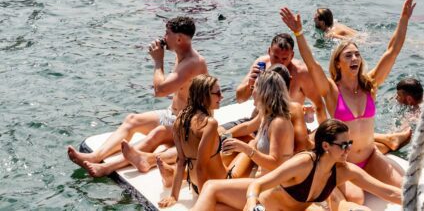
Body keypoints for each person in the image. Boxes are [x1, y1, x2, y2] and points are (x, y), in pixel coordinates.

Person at [280, 0, 416, 200]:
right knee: (356, 199)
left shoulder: (370, 85)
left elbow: (392, 51)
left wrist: (403, 20)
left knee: (407, 190)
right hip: (342, 162)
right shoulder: (331, 91)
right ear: (338, 63)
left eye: (357, 54)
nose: (355, 58)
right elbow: (312, 64)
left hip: (371, 157)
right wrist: (298, 33)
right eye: (348, 55)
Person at [67, 17, 208, 177]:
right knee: (132, 120)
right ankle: (95, 156)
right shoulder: (181, 54)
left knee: (156, 136)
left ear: (179, 39)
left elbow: (160, 91)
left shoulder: (192, 63)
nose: (163, 37)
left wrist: (158, 61)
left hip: (188, 124)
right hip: (173, 115)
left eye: (167, 33)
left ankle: (107, 167)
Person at [191, 119, 402, 211]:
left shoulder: (344, 171)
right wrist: (251, 202)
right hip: (261, 205)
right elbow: (258, 185)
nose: (348, 149)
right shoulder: (303, 163)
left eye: (350, 143)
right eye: (344, 144)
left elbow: (388, 193)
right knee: (211, 189)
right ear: (326, 146)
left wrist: (422, 198)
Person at [158, 75, 226, 206]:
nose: (221, 96)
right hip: (215, 186)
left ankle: (172, 175)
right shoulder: (209, 124)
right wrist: (205, 201)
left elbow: (181, 161)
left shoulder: (180, 119)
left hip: (196, 184)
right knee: (249, 146)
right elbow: (201, 167)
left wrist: (173, 196)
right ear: (203, 96)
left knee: (226, 153)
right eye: (217, 93)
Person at [236, 33, 326, 123]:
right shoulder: (261, 64)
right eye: (275, 57)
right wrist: (250, 84)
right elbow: (240, 99)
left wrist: (322, 134)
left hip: (287, 126)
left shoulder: (301, 74)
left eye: (284, 58)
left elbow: (319, 105)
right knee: (224, 132)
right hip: (257, 121)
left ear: (292, 56)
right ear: (269, 51)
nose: (279, 62)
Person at [222, 70, 294, 178]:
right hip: (262, 178)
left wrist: (245, 148)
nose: (252, 92)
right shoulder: (265, 114)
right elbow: (247, 127)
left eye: (254, 87)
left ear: (264, 92)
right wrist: (223, 136)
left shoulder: (279, 123)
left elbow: (275, 164)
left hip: (273, 185)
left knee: (212, 187)